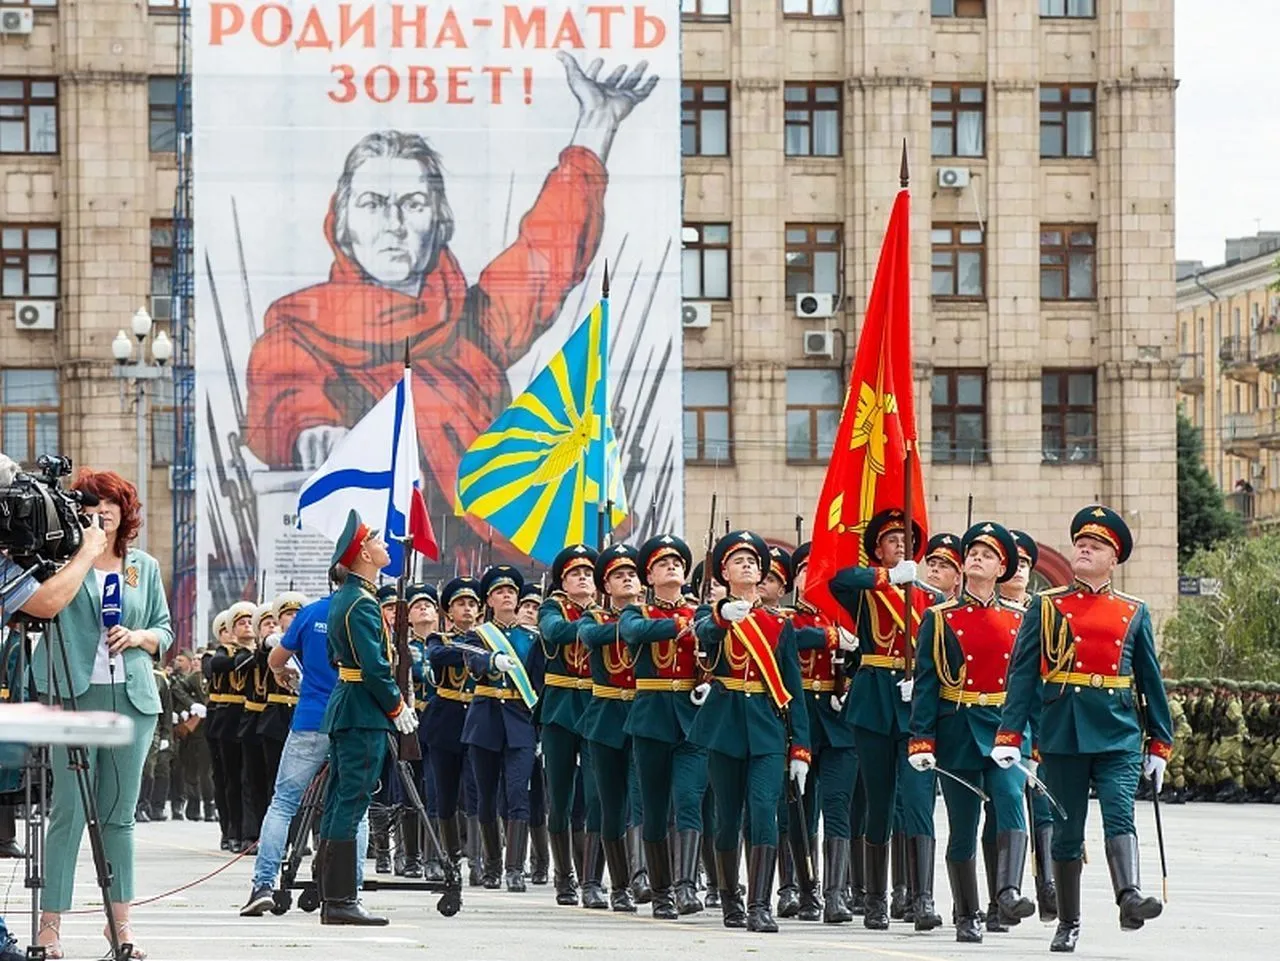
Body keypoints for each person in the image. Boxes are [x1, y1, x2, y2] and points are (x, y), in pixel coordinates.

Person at [243, 53, 658, 560]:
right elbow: (285, 385)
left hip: (487, 567)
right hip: (382, 567)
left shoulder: (471, 323)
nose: (394, 223)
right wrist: (314, 430)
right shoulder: (301, 327)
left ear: (438, 220)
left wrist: (597, 124)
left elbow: (548, 253)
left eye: (413, 203)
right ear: (342, 224)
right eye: (373, 203)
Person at [994, 505, 1173, 953]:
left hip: (1118, 730)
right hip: (1065, 730)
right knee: (1067, 830)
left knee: (1119, 812)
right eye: (1080, 544)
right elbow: (1022, 674)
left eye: (1095, 546)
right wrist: (1010, 734)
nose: (1084, 550)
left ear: (1114, 558)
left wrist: (1159, 743)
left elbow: (1150, 681)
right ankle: (1068, 921)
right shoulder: (1047, 606)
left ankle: (1129, 896)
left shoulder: (1133, 611)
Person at [32, 469, 172, 960]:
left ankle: (121, 926)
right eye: (91, 505)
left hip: (132, 699)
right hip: (74, 695)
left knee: (119, 815)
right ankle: (50, 924)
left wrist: (139, 637)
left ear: (125, 510)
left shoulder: (143, 567)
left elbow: (164, 628)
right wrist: (84, 554)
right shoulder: (63, 562)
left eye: (111, 503)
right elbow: (45, 609)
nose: (102, 512)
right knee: (69, 810)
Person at [907, 521, 1034, 944]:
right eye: (973, 553)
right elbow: (927, 683)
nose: (977, 558)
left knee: (1010, 800)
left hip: (1003, 728)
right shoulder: (940, 617)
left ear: (1001, 568)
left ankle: (1008, 893)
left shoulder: (1020, 618)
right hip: (958, 727)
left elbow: (1029, 684)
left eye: (987, 555)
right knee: (963, 826)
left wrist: (1033, 737)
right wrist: (921, 740)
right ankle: (967, 913)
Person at [691, 530, 811, 934]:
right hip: (725, 724)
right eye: (738, 561)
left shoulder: (778, 623)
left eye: (753, 562)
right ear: (723, 573)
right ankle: (730, 898)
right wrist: (724, 615)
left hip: (766, 726)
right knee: (727, 817)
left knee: (764, 811)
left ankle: (760, 904)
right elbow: (704, 636)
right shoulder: (712, 616)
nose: (747, 566)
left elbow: (793, 688)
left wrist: (801, 747)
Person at [828, 508, 942, 932]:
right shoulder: (868, 591)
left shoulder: (931, 600)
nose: (901, 546)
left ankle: (921, 897)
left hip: (915, 708)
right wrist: (887, 578)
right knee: (878, 802)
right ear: (877, 550)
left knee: (917, 801)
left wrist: (923, 684)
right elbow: (838, 581)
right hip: (874, 703)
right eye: (892, 540)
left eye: (907, 541)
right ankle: (875, 899)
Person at [240, 587, 372, 917]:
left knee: (284, 803)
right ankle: (349, 890)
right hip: (352, 718)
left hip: (311, 719)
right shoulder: (365, 611)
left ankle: (264, 885)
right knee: (355, 808)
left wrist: (281, 673)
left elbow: (275, 659)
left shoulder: (310, 614)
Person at [316, 510, 417, 925]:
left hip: (351, 705)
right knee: (352, 800)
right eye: (376, 540)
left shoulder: (350, 598)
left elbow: (335, 657)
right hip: (363, 710)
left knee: (341, 798)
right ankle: (340, 899)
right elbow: (374, 667)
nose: (385, 545)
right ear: (363, 553)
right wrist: (397, 705)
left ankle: (330, 892)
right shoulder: (360, 603)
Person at [620, 534, 706, 916]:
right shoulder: (635, 613)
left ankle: (686, 886)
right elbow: (634, 633)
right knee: (654, 809)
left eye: (677, 564)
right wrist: (679, 625)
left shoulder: (702, 612)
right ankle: (661, 891)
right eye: (662, 564)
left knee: (689, 799)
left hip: (692, 718)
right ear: (649, 577)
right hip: (651, 717)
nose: (671, 567)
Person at [789, 541, 861, 924]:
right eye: (806, 569)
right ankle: (805, 890)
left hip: (838, 723)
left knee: (837, 806)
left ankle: (835, 894)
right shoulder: (786, 618)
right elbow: (787, 641)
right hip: (799, 718)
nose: (814, 576)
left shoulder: (848, 618)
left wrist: (850, 673)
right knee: (801, 809)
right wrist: (831, 638)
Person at [461, 565, 545, 892]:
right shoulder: (478, 634)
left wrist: (539, 729)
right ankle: (492, 866)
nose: (507, 595)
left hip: (520, 721)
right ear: (489, 601)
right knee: (486, 796)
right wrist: (491, 661)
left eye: (511, 591)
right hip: (485, 720)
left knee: (518, 794)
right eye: (499, 591)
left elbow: (538, 683)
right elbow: (472, 662)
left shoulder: (532, 638)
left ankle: (514, 869)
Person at [579, 544, 647, 914]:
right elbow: (591, 637)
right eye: (618, 576)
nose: (627, 579)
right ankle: (602, 883)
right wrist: (633, 625)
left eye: (632, 574)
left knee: (641, 798)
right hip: (606, 715)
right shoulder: (595, 617)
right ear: (606, 586)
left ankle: (640, 876)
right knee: (607, 803)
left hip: (643, 713)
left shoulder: (650, 616)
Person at [535, 545, 599, 906]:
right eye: (576, 574)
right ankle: (564, 876)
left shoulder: (604, 610)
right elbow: (555, 632)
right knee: (560, 796)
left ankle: (591, 879)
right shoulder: (552, 608)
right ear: (562, 581)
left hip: (596, 707)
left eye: (589, 573)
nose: (584, 578)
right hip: (560, 708)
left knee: (596, 796)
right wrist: (594, 625)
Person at [424, 576, 483, 900]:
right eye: (461, 604)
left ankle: (477, 859)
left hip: (478, 720)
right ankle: (447, 858)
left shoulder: (488, 637)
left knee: (476, 793)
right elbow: (437, 656)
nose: (467, 609)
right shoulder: (439, 637)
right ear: (448, 612)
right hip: (445, 720)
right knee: (443, 794)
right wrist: (475, 652)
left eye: (472, 603)